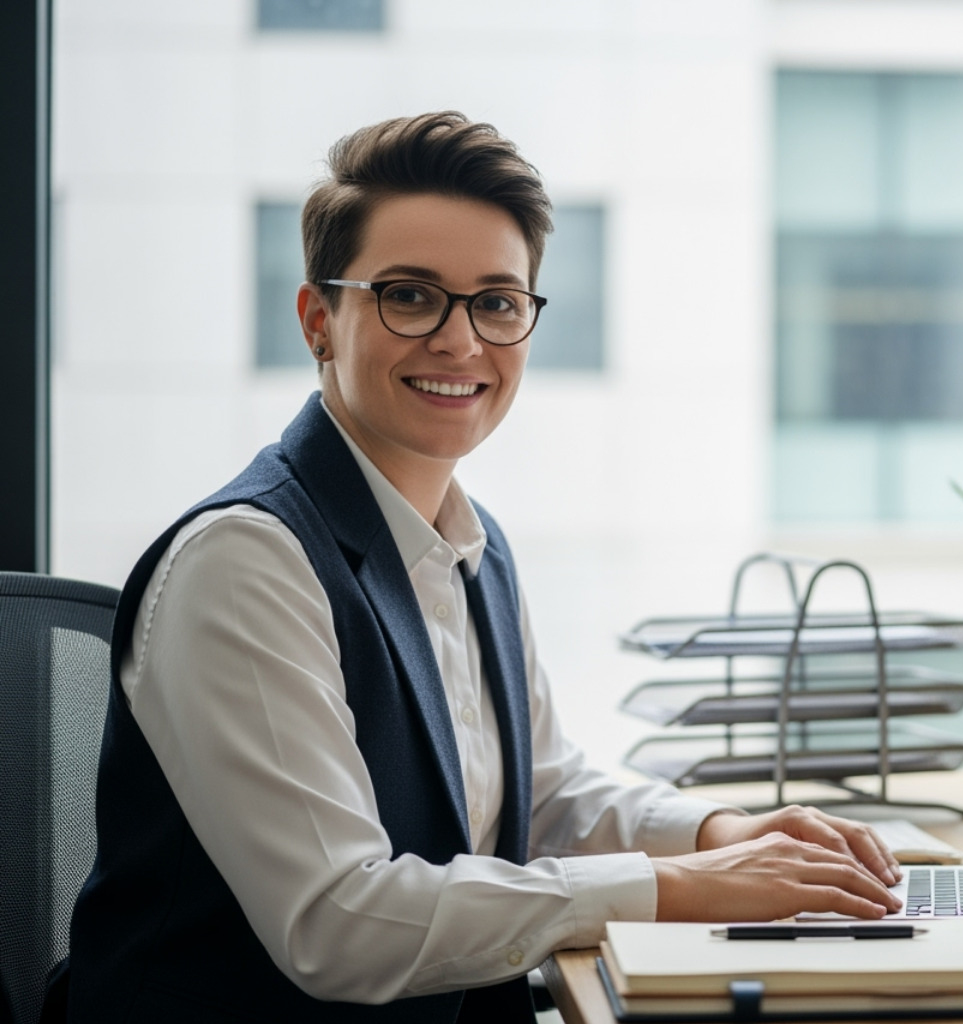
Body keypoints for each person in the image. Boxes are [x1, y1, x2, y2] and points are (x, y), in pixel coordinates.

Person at [57, 112, 901, 1024]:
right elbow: (341, 922)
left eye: (497, 302)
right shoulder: (245, 563)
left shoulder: (472, 545)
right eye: (410, 296)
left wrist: (718, 833)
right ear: (318, 321)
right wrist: (678, 884)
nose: (462, 342)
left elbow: (545, 790)